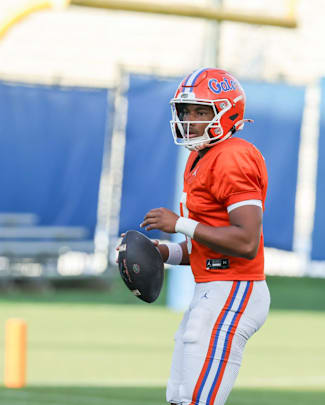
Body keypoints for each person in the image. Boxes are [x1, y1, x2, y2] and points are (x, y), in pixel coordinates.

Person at [139, 68, 270, 405]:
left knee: (197, 399)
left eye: (201, 111)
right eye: (186, 111)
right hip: (212, 287)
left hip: (235, 288)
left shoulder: (232, 155)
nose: (190, 119)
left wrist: (179, 223)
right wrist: (166, 252)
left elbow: (245, 241)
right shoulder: (201, 156)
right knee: (180, 396)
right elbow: (207, 241)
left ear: (228, 111)